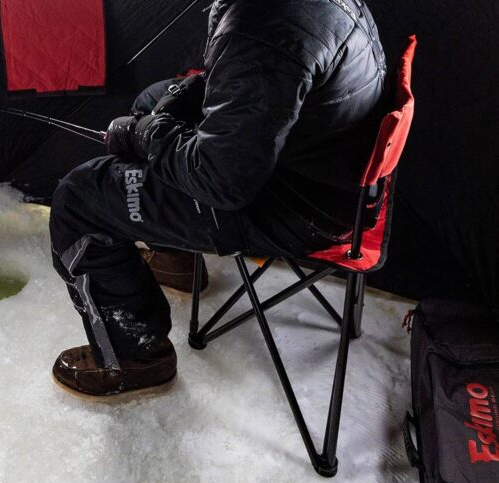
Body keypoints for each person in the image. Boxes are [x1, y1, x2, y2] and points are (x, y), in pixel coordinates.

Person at [50, 0, 386, 397]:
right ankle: (175, 260)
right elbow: (273, 80)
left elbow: (220, 182)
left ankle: (134, 357)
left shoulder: (261, 24)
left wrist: (148, 135)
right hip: (322, 173)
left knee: (80, 199)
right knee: (151, 101)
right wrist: (191, 94)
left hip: (287, 209)